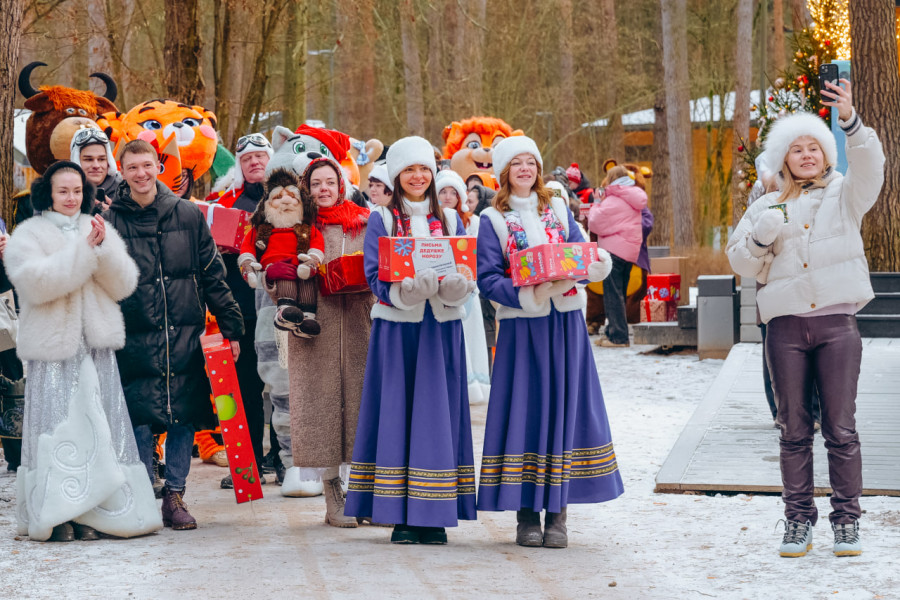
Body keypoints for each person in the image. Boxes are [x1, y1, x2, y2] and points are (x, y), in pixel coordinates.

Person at [726, 80, 881, 558]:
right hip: (786, 329)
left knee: (841, 428)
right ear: (784, 160)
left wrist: (851, 120)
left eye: (814, 146)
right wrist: (760, 240)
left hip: (837, 326)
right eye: (797, 149)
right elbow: (740, 263)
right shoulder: (765, 206)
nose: (806, 154)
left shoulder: (845, 194)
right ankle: (797, 521)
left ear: (827, 154)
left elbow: (872, 167)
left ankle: (847, 522)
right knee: (793, 429)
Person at [476, 136, 624, 548]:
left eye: (531, 162)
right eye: (516, 163)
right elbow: (487, 278)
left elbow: (580, 250)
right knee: (527, 412)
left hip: (566, 323)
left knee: (564, 409)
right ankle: (526, 514)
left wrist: (595, 264)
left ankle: (558, 512)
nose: (525, 169)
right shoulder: (492, 219)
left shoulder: (558, 206)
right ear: (503, 172)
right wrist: (532, 294)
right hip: (524, 327)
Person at [5, 160, 161, 541]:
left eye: (77, 190)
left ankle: (100, 512)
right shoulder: (29, 233)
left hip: (95, 347)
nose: (71, 198)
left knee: (100, 428)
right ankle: (56, 514)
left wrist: (102, 249)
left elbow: (124, 283)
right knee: (58, 427)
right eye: (63, 191)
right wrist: (82, 252)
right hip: (54, 350)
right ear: (49, 194)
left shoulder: (99, 228)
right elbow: (37, 285)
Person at [105, 140, 244, 531]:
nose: (141, 174)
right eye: (132, 167)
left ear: (158, 167)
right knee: (140, 413)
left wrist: (230, 326)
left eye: (147, 165)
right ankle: (141, 485)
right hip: (134, 335)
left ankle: (175, 495)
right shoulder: (111, 220)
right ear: (124, 170)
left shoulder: (187, 214)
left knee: (184, 413)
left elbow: (212, 274)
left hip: (184, 332)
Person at [345, 136, 477, 545]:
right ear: (397, 176)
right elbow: (373, 276)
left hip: (440, 328)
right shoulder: (381, 220)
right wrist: (406, 292)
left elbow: (466, 271)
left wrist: (457, 288)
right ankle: (399, 512)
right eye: (409, 170)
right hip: (398, 330)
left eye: (424, 170)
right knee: (398, 415)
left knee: (438, 418)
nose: (417, 177)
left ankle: (434, 513)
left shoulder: (453, 221)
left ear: (433, 175)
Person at [277, 156, 374, 526]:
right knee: (322, 411)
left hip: (357, 325)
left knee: (361, 407)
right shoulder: (297, 227)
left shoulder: (363, 222)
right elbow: (279, 274)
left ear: (342, 184)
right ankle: (332, 491)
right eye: (316, 183)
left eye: (330, 182)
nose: (323, 189)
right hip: (314, 330)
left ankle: (363, 491)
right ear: (307, 187)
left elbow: (380, 268)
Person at [206, 132, 273, 490]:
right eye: (247, 159)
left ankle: (285, 458)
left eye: (261, 156)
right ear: (239, 165)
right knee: (245, 389)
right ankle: (249, 465)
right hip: (240, 309)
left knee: (282, 389)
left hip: (282, 306)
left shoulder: (289, 197)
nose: (255, 163)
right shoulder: (224, 203)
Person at [436, 169, 491, 404]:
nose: (448, 197)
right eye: (443, 191)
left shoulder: (473, 222)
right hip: (439, 289)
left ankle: (475, 384)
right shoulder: (433, 221)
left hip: (468, 287)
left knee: (472, 337)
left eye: (453, 192)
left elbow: (476, 255)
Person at [588, 166, 648, 348]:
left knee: (612, 295)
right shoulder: (632, 196)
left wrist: (597, 202)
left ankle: (618, 336)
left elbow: (594, 223)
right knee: (619, 293)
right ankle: (612, 332)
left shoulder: (613, 199)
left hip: (614, 252)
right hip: (630, 252)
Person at [69, 127, 122, 213]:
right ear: (76, 162)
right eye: (89, 159)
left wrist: (117, 218)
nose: (96, 166)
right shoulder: (59, 191)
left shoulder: (127, 189)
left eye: (101, 159)